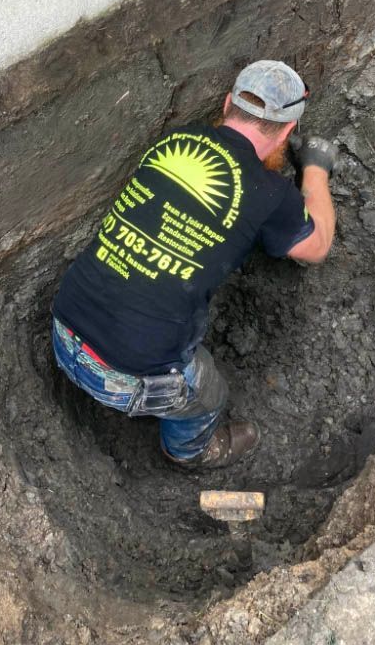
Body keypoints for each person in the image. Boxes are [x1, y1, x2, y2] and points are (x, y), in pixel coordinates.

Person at [51, 59, 339, 469]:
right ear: (288, 130)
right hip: (127, 381)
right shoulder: (272, 194)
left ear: (226, 104)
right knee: (208, 392)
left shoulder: (175, 142)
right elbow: (318, 246)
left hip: (63, 330)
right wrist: (314, 169)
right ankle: (191, 452)